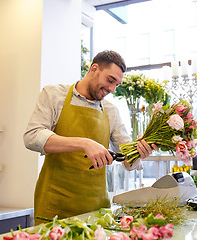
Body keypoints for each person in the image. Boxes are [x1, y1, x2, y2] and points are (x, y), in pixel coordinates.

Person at [23, 50, 157, 224]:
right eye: (110, 80)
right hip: (54, 206)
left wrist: (139, 153)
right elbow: (32, 136)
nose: (112, 89)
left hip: (96, 210)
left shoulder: (111, 111)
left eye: (117, 84)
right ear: (94, 68)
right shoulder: (54, 95)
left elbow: (128, 162)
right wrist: (84, 143)